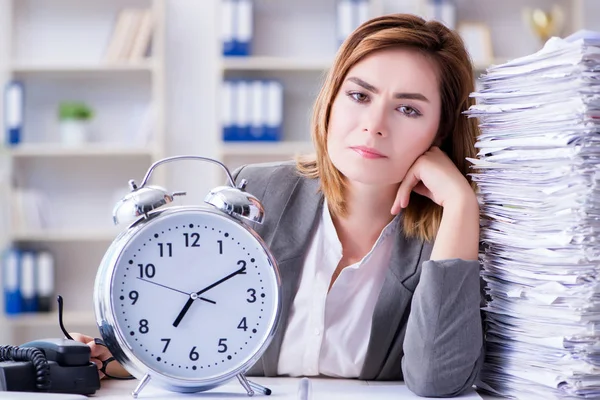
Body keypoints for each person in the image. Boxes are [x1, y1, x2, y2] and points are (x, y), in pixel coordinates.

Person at [72, 13, 484, 397]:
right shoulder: (261, 192)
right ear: (331, 100)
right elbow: (200, 332)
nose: (374, 124)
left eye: (408, 109)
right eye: (359, 95)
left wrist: (461, 205)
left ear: (441, 128)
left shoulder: (455, 232)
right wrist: (130, 359)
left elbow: (438, 382)